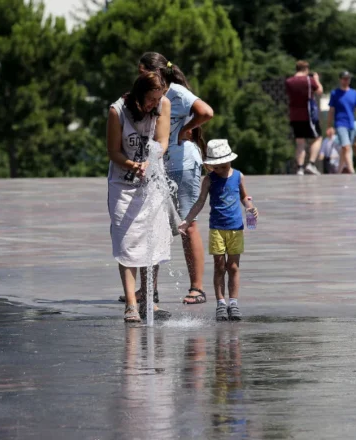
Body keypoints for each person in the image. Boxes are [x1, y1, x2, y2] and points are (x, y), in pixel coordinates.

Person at [132, 52, 214, 306]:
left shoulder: (175, 91)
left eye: (141, 70)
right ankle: (148, 290)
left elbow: (206, 111)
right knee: (154, 226)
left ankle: (197, 288)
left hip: (183, 164)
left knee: (188, 225)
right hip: (161, 165)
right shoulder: (150, 95)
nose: (138, 75)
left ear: (155, 72)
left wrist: (187, 130)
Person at [107, 71, 172, 323]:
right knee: (127, 243)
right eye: (151, 100)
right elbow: (113, 151)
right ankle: (131, 304)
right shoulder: (117, 111)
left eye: (159, 99)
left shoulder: (163, 104)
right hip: (123, 184)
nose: (155, 104)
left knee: (153, 241)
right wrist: (133, 165)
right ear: (138, 95)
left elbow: (162, 141)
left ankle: (148, 299)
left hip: (152, 180)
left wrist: (150, 160)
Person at [178, 139, 258, 322]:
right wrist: (187, 220)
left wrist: (250, 207)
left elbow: (245, 197)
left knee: (234, 266)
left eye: (222, 166)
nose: (219, 170)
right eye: (216, 167)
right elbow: (200, 202)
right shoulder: (209, 179)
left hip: (236, 228)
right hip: (217, 229)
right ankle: (221, 303)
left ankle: (234, 303)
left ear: (229, 161)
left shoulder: (238, 176)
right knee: (219, 266)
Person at [285, 60, 324, 175]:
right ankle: (311, 164)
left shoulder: (289, 81)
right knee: (318, 137)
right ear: (306, 69)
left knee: (300, 141)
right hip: (308, 115)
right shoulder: (309, 80)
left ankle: (300, 168)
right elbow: (320, 91)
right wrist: (316, 79)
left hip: (294, 114)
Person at [327, 71, 356, 175]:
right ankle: (351, 170)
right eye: (344, 78)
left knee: (345, 149)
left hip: (351, 124)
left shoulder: (354, 93)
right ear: (340, 79)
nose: (346, 81)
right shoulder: (334, 93)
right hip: (340, 123)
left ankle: (339, 171)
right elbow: (331, 110)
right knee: (346, 147)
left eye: (348, 79)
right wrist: (329, 126)